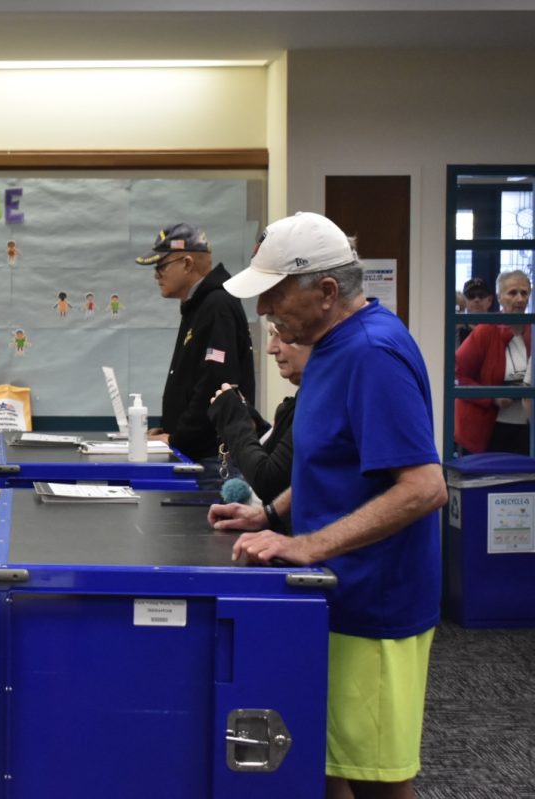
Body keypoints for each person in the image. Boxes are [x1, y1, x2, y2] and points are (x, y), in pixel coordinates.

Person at [212, 212, 446, 799]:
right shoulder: (327, 346)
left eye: (276, 295)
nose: (266, 311)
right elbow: (335, 461)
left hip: (375, 606)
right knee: (324, 766)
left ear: (325, 290)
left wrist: (307, 544)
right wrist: (273, 514)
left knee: (377, 783)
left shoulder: (373, 353)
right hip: (332, 593)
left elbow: (424, 487)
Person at [135, 223, 256, 488]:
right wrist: (168, 430)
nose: (156, 275)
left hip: (211, 459)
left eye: (161, 266)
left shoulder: (217, 305)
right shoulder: (198, 305)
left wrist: (177, 438)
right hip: (196, 453)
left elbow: (216, 383)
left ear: (188, 263)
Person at [207, 322, 311, 509]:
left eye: (280, 334)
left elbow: (269, 483)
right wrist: (254, 424)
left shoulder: (318, 401)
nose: (270, 348)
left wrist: (235, 421)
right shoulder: (304, 399)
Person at [454, 269, 532, 454]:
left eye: (524, 293)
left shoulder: (532, 330)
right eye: (512, 293)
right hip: (488, 429)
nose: (520, 299)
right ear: (499, 297)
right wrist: (492, 398)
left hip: (525, 427)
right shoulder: (486, 331)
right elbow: (457, 376)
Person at [457, 276, 494, 346]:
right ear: (464, 300)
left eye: (481, 295)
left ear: (490, 300)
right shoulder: (457, 331)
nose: (476, 299)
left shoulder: (497, 329)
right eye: (471, 296)